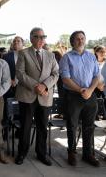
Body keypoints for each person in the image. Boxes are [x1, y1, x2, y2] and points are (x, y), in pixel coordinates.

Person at [14, 27, 59, 166]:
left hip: (45, 96)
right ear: (31, 38)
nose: (41, 39)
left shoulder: (50, 55)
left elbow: (56, 74)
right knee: (25, 127)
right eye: (38, 37)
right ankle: (22, 153)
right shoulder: (23, 53)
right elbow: (20, 74)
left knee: (42, 127)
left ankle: (41, 154)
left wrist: (44, 86)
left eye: (43, 36)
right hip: (27, 96)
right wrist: (36, 86)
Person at [59, 31, 100, 167]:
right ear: (72, 42)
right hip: (73, 96)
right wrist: (80, 90)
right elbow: (65, 78)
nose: (81, 41)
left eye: (83, 38)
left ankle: (88, 154)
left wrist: (90, 90)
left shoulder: (91, 57)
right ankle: (72, 152)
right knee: (72, 125)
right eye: (77, 39)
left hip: (90, 95)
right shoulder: (66, 58)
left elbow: (96, 76)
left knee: (89, 126)